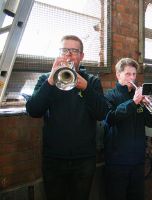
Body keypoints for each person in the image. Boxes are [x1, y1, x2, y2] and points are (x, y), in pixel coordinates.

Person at [26, 35, 108, 200]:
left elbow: (102, 113)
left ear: (81, 56)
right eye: (64, 50)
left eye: (74, 51)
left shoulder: (92, 81)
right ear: (58, 54)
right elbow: (33, 110)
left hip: (84, 159)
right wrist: (50, 80)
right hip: (54, 158)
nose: (69, 55)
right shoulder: (45, 80)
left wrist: (86, 88)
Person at [103, 57, 152, 200]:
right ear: (118, 75)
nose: (132, 77)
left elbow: (151, 123)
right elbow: (110, 118)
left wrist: (149, 106)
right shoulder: (109, 95)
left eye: (134, 74)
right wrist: (133, 102)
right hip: (117, 161)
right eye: (128, 74)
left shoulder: (138, 96)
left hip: (138, 160)